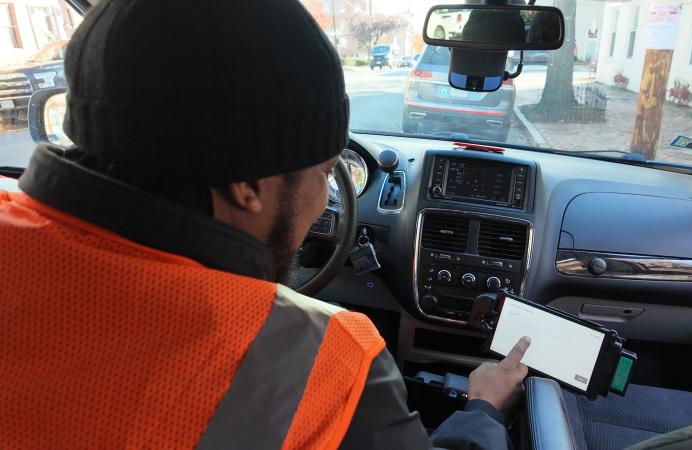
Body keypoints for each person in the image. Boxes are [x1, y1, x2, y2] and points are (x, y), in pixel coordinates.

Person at [0, 0, 532, 448]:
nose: (326, 201)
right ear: (246, 186)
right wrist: (482, 408)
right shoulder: (326, 362)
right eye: (326, 172)